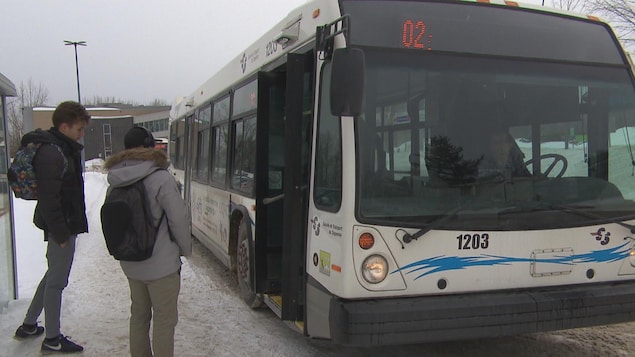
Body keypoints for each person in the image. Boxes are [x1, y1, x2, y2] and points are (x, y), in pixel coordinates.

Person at [103, 126, 191, 357]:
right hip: (162, 265)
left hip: (131, 263)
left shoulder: (115, 180)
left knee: (139, 317)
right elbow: (178, 219)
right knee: (164, 321)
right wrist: (184, 250)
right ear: (150, 146)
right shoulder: (161, 177)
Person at [14, 101, 91, 353]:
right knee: (57, 281)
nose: (81, 134)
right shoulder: (52, 153)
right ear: (64, 126)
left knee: (52, 275)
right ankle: (53, 339)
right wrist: (60, 234)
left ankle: (28, 325)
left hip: (64, 224)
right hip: (62, 226)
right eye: (79, 129)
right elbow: (50, 199)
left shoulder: (60, 148)